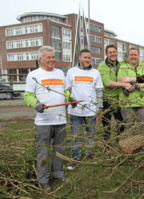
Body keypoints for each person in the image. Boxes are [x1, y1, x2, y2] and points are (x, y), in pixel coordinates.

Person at [23, 46, 75, 191]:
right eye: (48, 57)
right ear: (41, 59)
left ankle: (58, 174)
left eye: (53, 57)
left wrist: (69, 97)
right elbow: (27, 95)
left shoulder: (60, 73)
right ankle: (44, 179)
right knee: (43, 152)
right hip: (43, 122)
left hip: (60, 121)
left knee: (60, 149)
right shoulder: (34, 75)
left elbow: (64, 90)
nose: (52, 59)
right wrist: (36, 104)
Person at [66, 49, 103, 170]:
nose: (87, 60)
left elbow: (99, 91)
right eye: (85, 57)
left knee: (90, 135)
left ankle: (89, 155)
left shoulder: (95, 73)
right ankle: (75, 158)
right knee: (75, 136)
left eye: (89, 58)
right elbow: (67, 90)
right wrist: (69, 100)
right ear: (79, 58)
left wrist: (99, 107)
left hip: (91, 111)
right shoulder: (71, 72)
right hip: (75, 111)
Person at [98, 45, 131, 141]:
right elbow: (108, 83)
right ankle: (107, 147)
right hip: (107, 100)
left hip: (120, 99)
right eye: (110, 52)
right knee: (106, 126)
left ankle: (119, 142)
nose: (112, 54)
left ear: (117, 52)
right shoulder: (102, 66)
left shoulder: (122, 65)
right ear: (106, 54)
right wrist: (124, 85)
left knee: (121, 123)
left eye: (114, 51)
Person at [118, 47, 144, 124]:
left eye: (135, 55)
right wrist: (136, 84)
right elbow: (121, 80)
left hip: (142, 102)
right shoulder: (123, 67)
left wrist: (129, 80)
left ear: (138, 56)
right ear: (128, 56)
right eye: (131, 55)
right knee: (129, 127)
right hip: (126, 103)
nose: (133, 57)